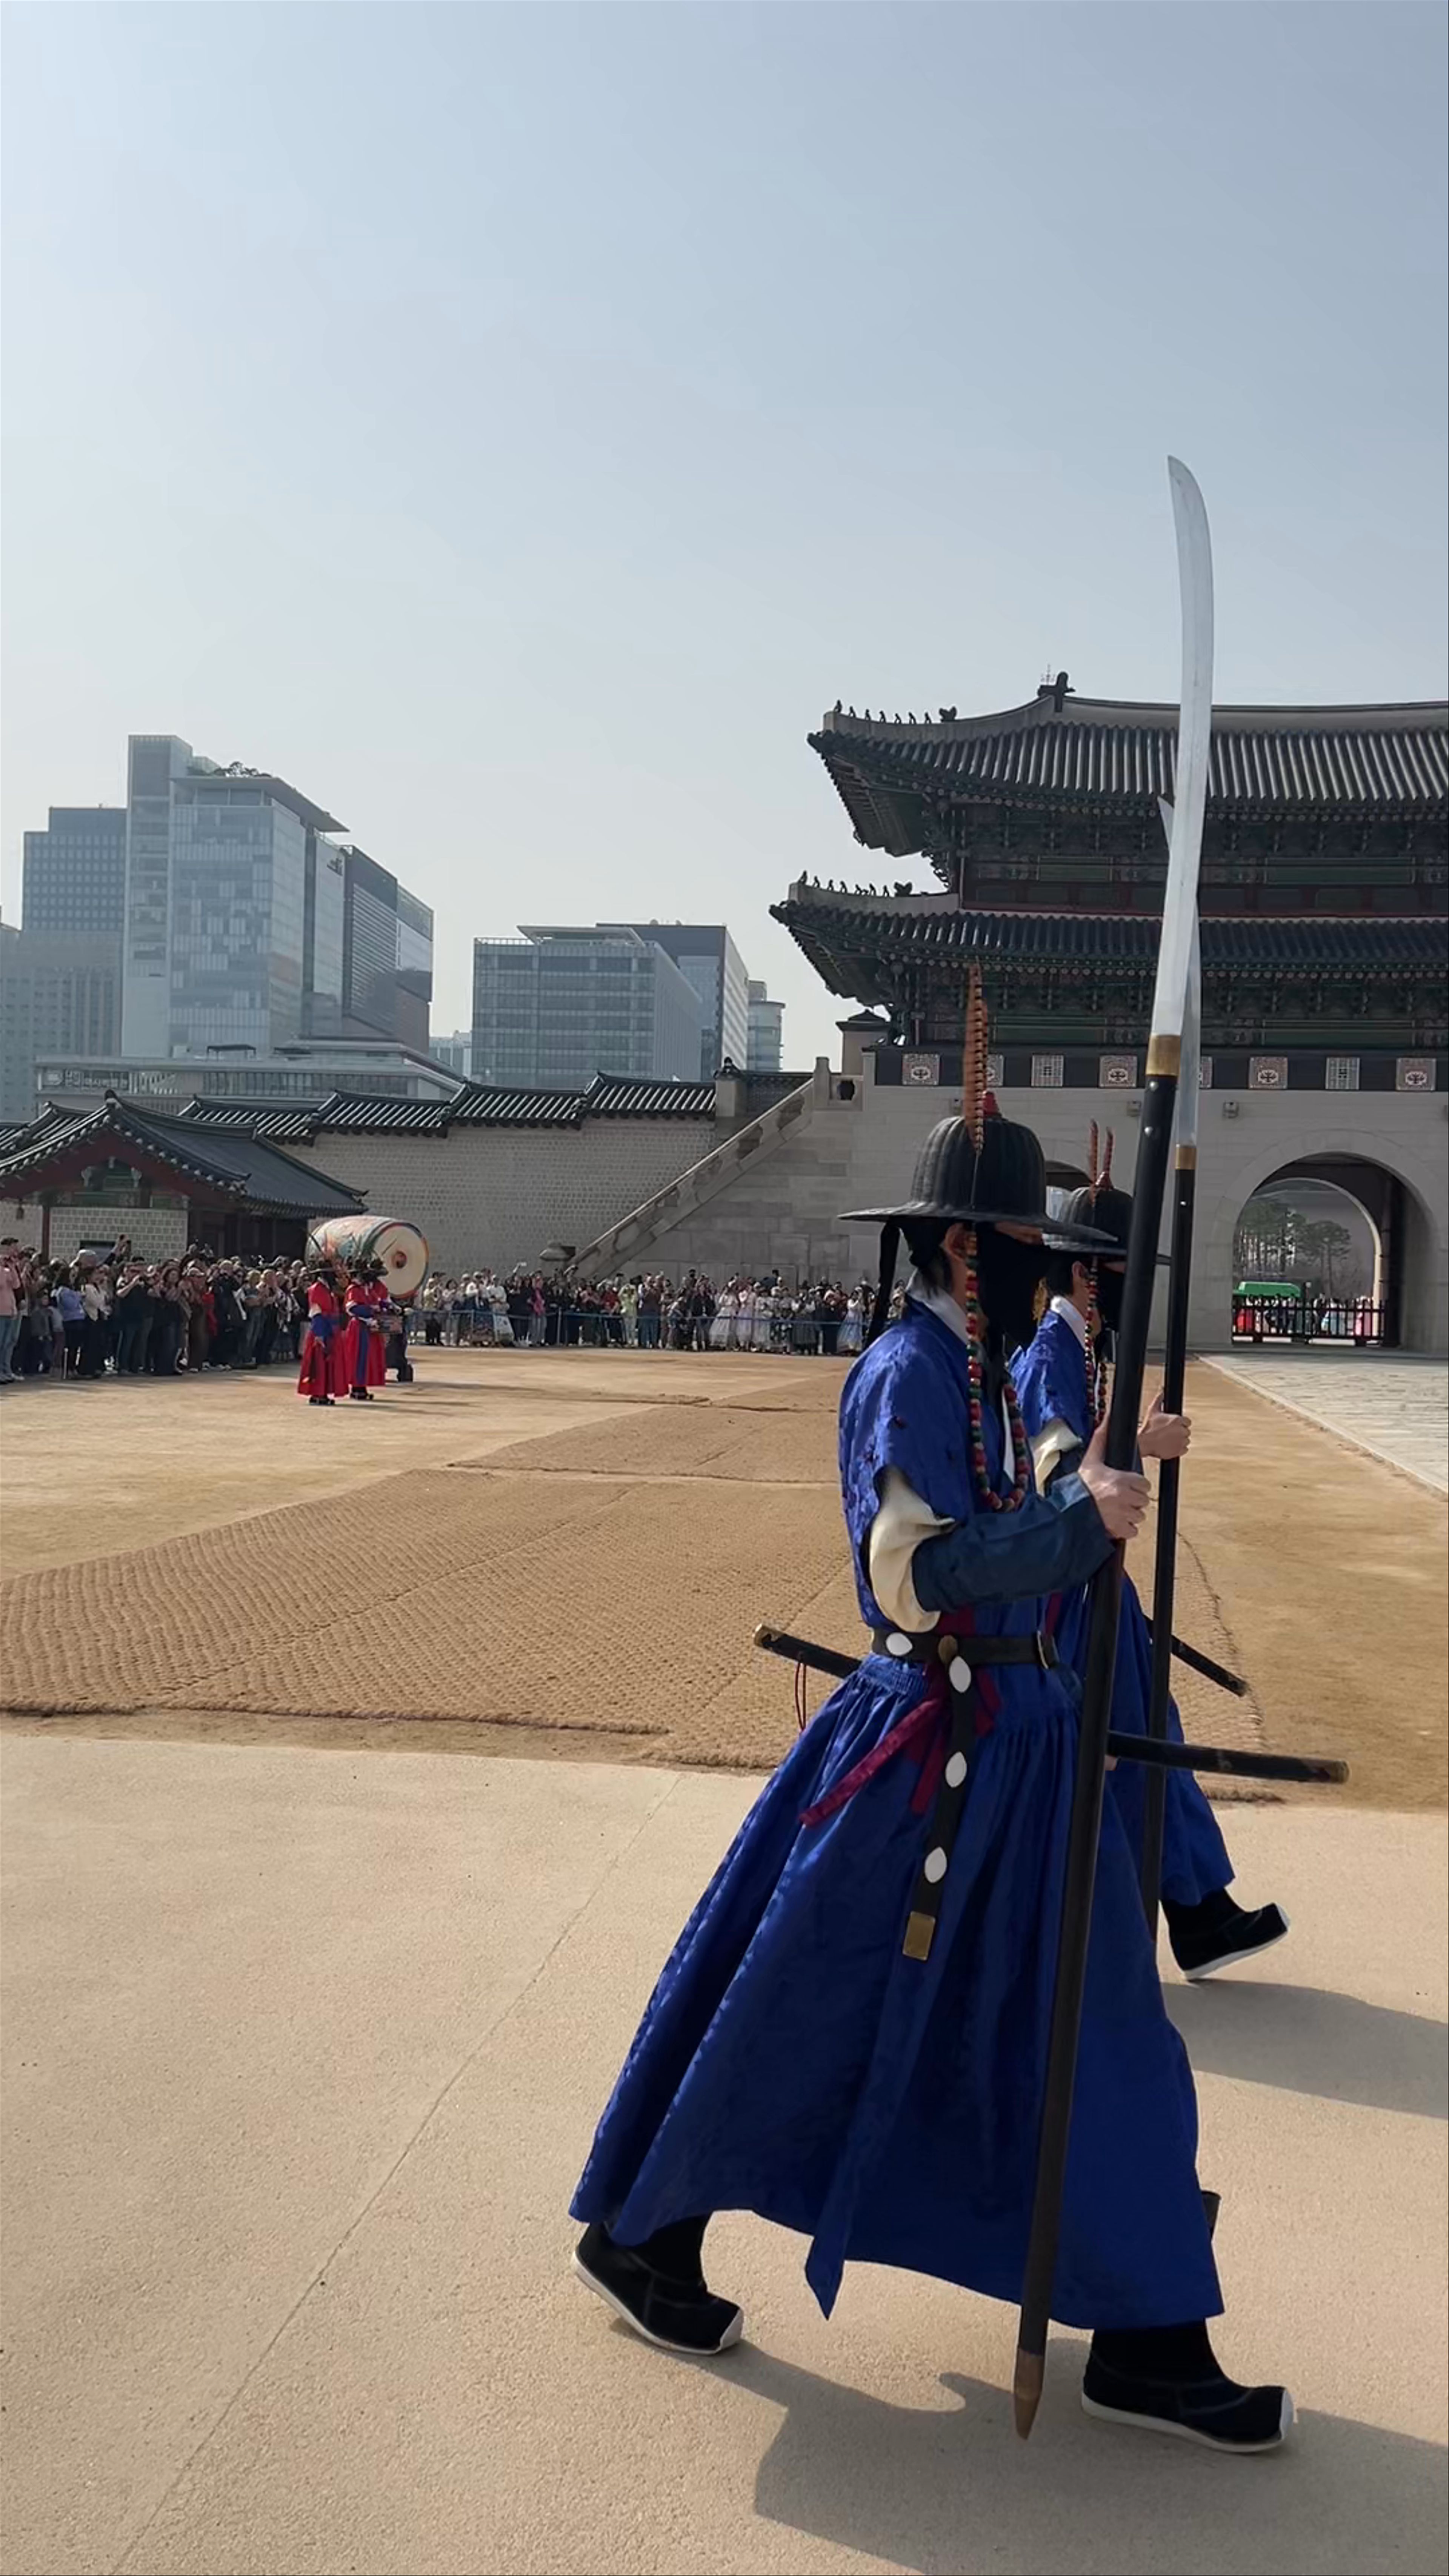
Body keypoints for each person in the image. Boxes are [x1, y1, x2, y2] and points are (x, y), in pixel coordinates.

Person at [569, 1093, 1291, 2453]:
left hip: (1012, 1740)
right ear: (972, 1251)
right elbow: (911, 1581)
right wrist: (1078, 1516)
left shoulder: (972, 1364)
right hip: (929, 1748)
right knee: (803, 2000)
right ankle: (644, 2224)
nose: (1044, 1261)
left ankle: (1149, 2327)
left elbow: (1027, 1495)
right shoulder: (907, 1370)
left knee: (1092, 2029)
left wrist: (1093, 1488)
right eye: (1023, 1239)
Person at [1013, 1176, 1289, 1982]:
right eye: (1125, 1269)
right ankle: (1165, 1911)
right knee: (1119, 1746)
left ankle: (1196, 1907)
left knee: (1149, 1735)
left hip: (1097, 1584)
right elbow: (1062, 1479)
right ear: (1093, 1274)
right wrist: (1142, 1439)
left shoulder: (1081, 1349)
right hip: (1064, 1594)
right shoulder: (1050, 1356)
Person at [298, 1263, 343, 1404]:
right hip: (321, 1330)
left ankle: (321, 1392)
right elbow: (316, 1313)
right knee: (319, 1364)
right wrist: (319, 1335)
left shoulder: (327, 1289)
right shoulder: (317, 1289)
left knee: (325, 1364)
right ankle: (318, 1394)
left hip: (330, 1329)